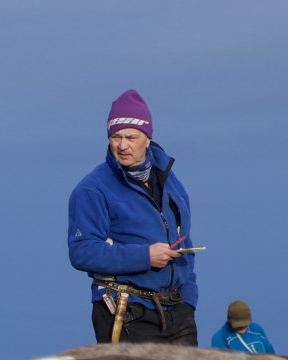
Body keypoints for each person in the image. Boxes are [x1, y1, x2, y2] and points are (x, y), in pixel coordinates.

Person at [68, 88, 198, 345]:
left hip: (178, 313)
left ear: (148, 139)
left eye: (131, 136)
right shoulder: (92, 189)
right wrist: (145, 256)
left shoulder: (171, 181)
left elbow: (185, 242)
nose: (123, 145)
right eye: (116, 136)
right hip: (125, 312)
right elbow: (82, 251)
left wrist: (189, 300)